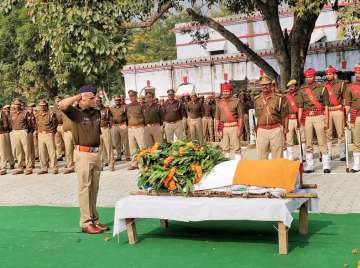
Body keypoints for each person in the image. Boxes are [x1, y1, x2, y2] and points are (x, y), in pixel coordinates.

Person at [59, 85, 109, 234]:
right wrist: (78, 97)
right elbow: (62, 104)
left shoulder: (96, 112)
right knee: (84, 188)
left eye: (95, 97)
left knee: (94, 189)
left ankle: (94, 220)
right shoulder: (76, 113)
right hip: (83, 154)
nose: (95, 99)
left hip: (96, 153)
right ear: (83, 99)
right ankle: (85, 222)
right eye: (92, 97)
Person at [298, 68, 331, 173]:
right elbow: (300, 107)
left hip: (319, 116)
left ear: (314, 77)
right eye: (307, 77)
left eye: (310, 76)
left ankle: (326, 165)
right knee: (308, 142)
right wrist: (299, 121)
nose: (308, 79)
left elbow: (326, 105)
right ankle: (310, 165)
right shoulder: (302, 90)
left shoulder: (322, 88)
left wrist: (326, 119)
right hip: (307, 117)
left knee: (322, 140)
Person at [254, 75, 287, 160]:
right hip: (262, 129)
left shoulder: (279, 98)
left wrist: (285, 129)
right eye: (262, 85)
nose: (264, 86)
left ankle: (277, 173)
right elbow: (257, 116)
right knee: (261, 155)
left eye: (267, 84)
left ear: (271, 85)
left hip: (275, 129)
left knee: (277, 155)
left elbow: (284, 116)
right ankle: (264, 173)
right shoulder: (256, 99)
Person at [322, 65, 347, 161]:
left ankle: (342, 153)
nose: (328, 76)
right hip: (328, 111)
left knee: (340, 132)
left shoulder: (341, 84)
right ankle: (329, 153)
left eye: (330, 74)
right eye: (327, 74)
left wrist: (345, 111)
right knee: (328, 133)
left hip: (338, 110)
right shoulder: (323, 85)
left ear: (334, 74)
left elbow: (345, 98)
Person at [215, 82, 244, 159]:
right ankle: (226, 166)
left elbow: (240, 117)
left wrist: (240, 129)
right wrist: (217, 130)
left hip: (234, 127)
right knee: (225, 149)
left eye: (227, 91)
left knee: (237, 148)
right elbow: (217, 118)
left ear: (231, 91)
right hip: (223, 128)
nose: (225, 93)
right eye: (224, 91)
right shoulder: (219, 103)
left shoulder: (237, 101)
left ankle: (238, 165)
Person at [9, 99, 34, 175]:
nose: (16, 106)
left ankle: (29, 167)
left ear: (20, 105)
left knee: (26, 150)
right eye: (15, 104)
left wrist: (27, 131)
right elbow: (11, 123)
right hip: (15, 131)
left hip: (23, 131)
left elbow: (30, 124)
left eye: (18, 104)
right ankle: (20, 167)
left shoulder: (25, 113)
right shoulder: (12, 113)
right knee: (18, 151)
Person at [35, 99, 58, 175]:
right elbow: (36, 124)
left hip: (49, 133)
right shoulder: (37, 114)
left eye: (43, 106)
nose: (42, 107)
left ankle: (54, 168)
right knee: (42, 152)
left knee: (51, 151)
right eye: (41, 106)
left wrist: (52, 132)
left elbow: (55, 124)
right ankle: (44, 168)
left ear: (46, 106)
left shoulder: (51, 114)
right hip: (41, 134)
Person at [284, 79, 305, 160]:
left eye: (292, 86)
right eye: (289, 87)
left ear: (296, 86)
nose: (291, 88)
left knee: (302, 138)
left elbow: (301, 107)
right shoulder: (285, 96)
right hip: (289, 119)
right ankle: (290, 156)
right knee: (289, 139)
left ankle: (302, 155)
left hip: (298, 117)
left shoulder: (299, 94)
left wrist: (299, 120)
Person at [345, 64, 360, 172]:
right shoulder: (350, 87)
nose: (358, 75)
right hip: (357, 116)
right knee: (357, 141)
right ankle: (357, 165)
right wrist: (346, 118)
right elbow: (347, 104)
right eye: (357, 73)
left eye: (359, 73)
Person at [126, 90, 146, 170]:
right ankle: (134, 163)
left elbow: (145, 116)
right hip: (130, 128)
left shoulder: (141, 105)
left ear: (136, 97)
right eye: (130, 96)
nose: (131, 98)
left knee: (142, 146)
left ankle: (144, 162)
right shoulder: (127, 106)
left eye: (133, 96)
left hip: (139, 128)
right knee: (132, 146)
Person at [96, 96, 115, 171]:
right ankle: (101, 164)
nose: (98, 102)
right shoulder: (94, 110)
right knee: (100, 149)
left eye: (99, 101)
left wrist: (109, 125)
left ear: (101, 101)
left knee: (109, 147)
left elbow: (111, 119)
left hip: (105, 129)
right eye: (96, 101)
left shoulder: (106, 109)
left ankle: (111, 165)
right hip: (97, 130)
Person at [111, 95, 130, 161]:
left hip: (123, 125)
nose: (117, 101)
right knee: (117, 142)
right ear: (114, 101)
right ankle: (119, 156)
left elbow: (128, 116)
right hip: (115, 126)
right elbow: (110, 117)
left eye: (118, 100)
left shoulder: (124, 107)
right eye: (116, 100)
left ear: (120, 100)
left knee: (125, 141)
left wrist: (126, 124)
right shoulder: (111, 108)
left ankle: (127, 155)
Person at [1, 105, 15, 170]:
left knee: (3, 150)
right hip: (3, 133)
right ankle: (12, 163)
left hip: (3, 133)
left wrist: (6, 130)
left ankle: (3, 166)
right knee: (5, 150)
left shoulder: (2, 114)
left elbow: (6, 125)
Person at [53, 96, 65, 161]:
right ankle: (59, 155)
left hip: (63, 125)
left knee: (66, 141)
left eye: (59, 101)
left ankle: (66, 153)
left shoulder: (64, 108)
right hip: (57, 126)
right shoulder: (53, 109)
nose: (58, 102)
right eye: (57, 101)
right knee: (58, 142)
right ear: (55, 102)